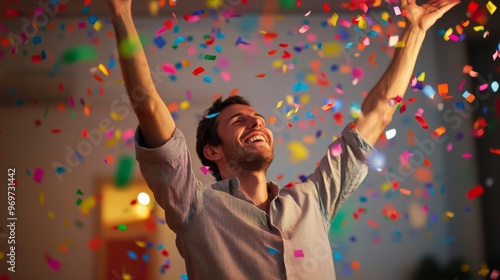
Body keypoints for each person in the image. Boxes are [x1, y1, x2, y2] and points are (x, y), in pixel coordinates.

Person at [108, 0, 460, 278]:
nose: (256, 123)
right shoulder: (194, 207)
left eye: (259, 119)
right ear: (212, 150)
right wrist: (122, 11)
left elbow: (380, 111)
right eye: (239, 121)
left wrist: (415, 29)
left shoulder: (313, 199)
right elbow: (148, 103)